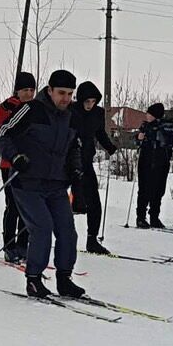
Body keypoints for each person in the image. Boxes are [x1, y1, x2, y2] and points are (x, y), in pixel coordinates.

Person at [0, 69, 84, 299]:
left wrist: (75, 168)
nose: (66, 98)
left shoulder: (71, 115)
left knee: (67, 231)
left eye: (70, 94)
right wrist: (15, 157)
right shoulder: (31, 109)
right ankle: (33, 280)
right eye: (61, 93)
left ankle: (64, 279)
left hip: (56, 184)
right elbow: (2, 132)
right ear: (50, 90)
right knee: (42, 228)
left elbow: (75, 145)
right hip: (27, 182)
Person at [0, 72, 36, 263]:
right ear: (17, 91)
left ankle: (24, 244)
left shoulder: (34, 107)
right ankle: (9, 245)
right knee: (13, 205)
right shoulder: (10, 106)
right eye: (25, 90)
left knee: (27, 206)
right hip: (10, 164)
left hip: (30, 164)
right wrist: (3, 108)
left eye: (31, 90)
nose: (29, 94)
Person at [70, 81, 118, 254]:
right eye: (87, 101)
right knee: (64, 201)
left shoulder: (98, 113)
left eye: (93, 101)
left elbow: (100, 132)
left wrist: (109, 146)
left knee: (94, 202)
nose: (90, 105)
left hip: (86, 160)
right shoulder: (71, 110)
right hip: (67, 161)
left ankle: (92, 240)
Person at [134, 103, 173, 228]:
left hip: (161, 161)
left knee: (158, 190)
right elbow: (136, 141)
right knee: (144, 190)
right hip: (146, 161)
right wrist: (139, 138)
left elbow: (171, 140)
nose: (147, 116)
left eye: (150, 114)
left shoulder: (166, 126)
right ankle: (141, 217)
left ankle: (154, 217)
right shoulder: (145, 126)